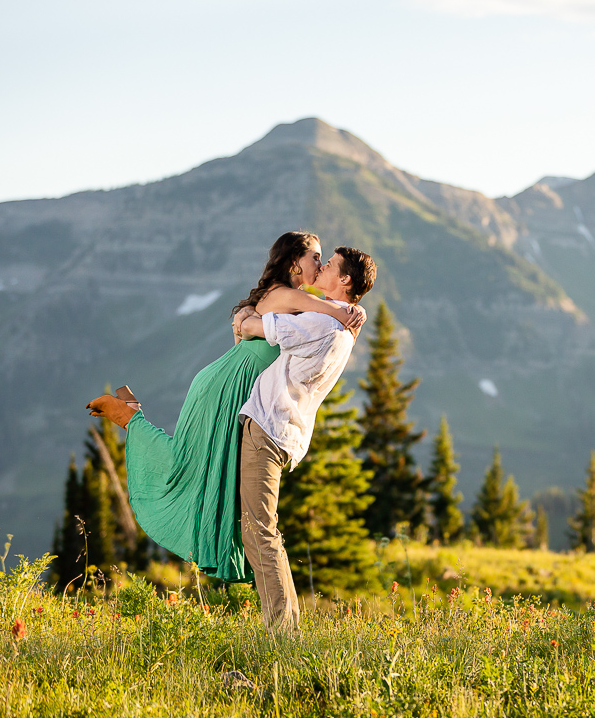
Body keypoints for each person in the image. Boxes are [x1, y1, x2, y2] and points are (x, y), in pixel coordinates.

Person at [85, 231, 365, 583]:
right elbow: (329, 311)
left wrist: (251, 318)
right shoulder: (288, 295)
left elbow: (244, 333)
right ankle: (129, 417)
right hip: (229, 386)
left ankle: (130, 415)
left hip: (236, 383)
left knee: (203, 464)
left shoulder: (289, 298)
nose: (319, 264)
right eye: (315, 257)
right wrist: (354, 312)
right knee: (189, 461)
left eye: (324, 259)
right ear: (295, 262)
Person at [234, 245, 376, 632]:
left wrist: (244, 317)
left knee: (260, 532)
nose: (324, 266)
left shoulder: (323, 324)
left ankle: (283, 631)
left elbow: (257, 328)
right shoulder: (343, 331)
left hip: (266, 428)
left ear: (344, 280)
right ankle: (288, 625)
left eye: (329, 264)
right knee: (264, 529)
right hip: (286, 434)